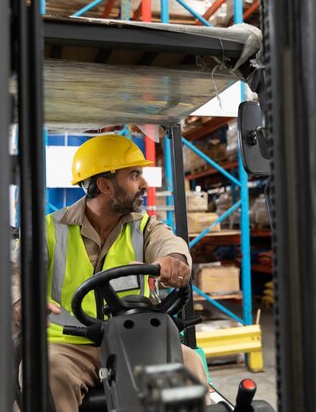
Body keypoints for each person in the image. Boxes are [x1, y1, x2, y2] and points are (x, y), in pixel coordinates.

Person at [12, 134, 210, 412]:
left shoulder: (144, 227)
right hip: (68, 343)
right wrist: (20, 301)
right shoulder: (48, 229)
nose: (144, 184)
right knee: (48, 371)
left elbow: (168, 242)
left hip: (136, 338)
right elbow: (14, 272)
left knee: (189, 362)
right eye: (134, 175)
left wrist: (175, 258)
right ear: (105, 185)